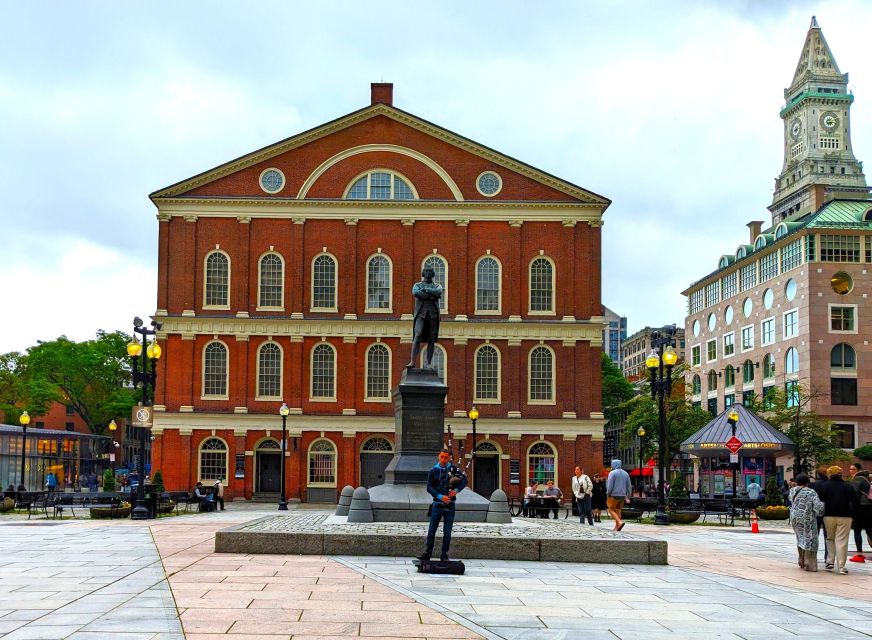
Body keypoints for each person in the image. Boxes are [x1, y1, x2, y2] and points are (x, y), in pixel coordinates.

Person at [420, 448, 467, 562]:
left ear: (449, 458)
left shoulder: (453, 469)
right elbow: (429, 487)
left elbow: (464, 480)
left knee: (447, 532)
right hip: (437, 504)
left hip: (450, 505)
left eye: (446, 457)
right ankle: (427, 553)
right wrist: (440, 496)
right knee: (432, 530)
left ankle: (444, 554)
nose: (444, 459)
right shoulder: (433, 471)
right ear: (438, 456)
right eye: (442, 457)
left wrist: (456, 490)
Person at [819, 465, 858, 574]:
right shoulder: (848, 486)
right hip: (845, 516)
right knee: (842, 541)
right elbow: (855, 502)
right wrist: (853, 515)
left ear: (829, 474)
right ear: (840, 474)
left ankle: (830, 562)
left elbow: (821, 501)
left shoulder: (824, 486)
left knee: (830, 538)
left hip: (828, 515)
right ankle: (841, 566)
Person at [407, 266, 443, 369]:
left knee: (431, 339)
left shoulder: (437, 286)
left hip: (433, 315)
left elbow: (438, 292)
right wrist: (431, 295)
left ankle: (428, 364)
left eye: (430, 271)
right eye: (426, 271)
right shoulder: (417, 285)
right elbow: (416, 293)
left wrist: (425, 291)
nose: (428, 272)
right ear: (423, 273)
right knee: (417, 335)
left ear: (433, 273)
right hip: (421, 314)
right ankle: (412, 362)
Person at [789, 473, 824, 572]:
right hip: (807, 518)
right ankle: (810, 564)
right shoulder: (811, 492)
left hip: (795, 518)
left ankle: (801, 560)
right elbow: (817, 507)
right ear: (807, 482)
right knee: (811, 539)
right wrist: (822, 506)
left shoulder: (792, 491)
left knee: (800, 537)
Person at [848, 462, 872, 563]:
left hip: (860, 508)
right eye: (850, 469)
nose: (851, 471)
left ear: (858, 470)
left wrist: (851, 509)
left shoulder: (857, 479)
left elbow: (854, 495)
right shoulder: (867, 479)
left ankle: (859, 555)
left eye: (853, 469)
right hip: (869, 507)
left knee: (857, 530)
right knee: (869, 530)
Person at [606, 459, 632, 532]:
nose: (611, 465)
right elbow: (629, 486)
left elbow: (610, 485)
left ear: (614, 464)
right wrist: (628, 496)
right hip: (622, 496)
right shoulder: (626, 473)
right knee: (618, 511)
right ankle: (617, 527)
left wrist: (608, 493)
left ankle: (619, 522)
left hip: (614, 495)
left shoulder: (612, 473)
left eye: (612, 464)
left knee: (610, 509)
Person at [810, 469, 830, 565]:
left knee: (814, 535)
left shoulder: (813, 485)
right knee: (828, 536)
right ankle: (827, 557)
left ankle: (813, 556)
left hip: (815, 511)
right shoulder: (829, 484)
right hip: (827, 511)